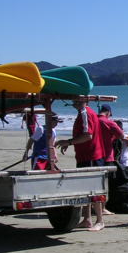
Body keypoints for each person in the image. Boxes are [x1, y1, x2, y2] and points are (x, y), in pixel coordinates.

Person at [55, 99, 105, 231]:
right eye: (74, 101)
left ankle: (100, 220)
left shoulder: (85, 113)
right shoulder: (83, 113)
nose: (74, 103)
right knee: (85, 189)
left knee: (93, 189)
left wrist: (69, 142)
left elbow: (88, 135)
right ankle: (87, 219)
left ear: (84, 101)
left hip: (91, 156)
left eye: (77, 101)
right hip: (85, 155)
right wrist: (71, 143)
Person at [105, 119, 128, 214]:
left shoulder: (125, 137)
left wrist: (122, 137)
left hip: (124, 164)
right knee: (114, 185)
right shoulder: (111, 137)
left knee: (125, 184)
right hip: (114, 164)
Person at [96, 104, 124, 214]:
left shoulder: (94, 120)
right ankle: (102, 208)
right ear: (108, 112)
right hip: (107, 156)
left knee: (96, 183)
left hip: (95, 155)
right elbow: (121, 135)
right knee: (105, 184)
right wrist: (112, 137)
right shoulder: (108, 122)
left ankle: (96, 206)